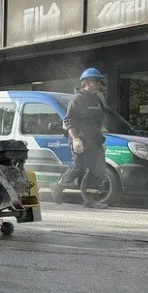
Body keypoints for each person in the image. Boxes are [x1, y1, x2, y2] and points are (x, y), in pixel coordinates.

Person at [50, 68, 109, 210]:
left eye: (98, 81)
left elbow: (99, 119)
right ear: (85, 83)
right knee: (78, 168)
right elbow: (69, 121)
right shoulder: (77, 99)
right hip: (81, 140)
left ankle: (91, 200)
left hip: (95, 141)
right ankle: (58, 186)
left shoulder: (97, 99)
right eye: (95, 81)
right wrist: (75, 139)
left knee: (98, 169)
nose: (98, 84)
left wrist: (101, 130)